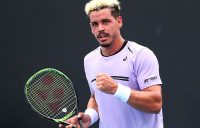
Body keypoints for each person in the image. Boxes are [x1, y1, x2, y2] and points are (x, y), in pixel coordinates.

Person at [59, 0, 164, 128]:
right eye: (95, 24)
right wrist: (89, 117)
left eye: (106, 21)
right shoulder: (89, 59)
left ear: (119, 21)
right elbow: (96, 97)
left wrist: (116, 89)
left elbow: (155, 104)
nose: (100, 28)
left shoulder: (141, 55)